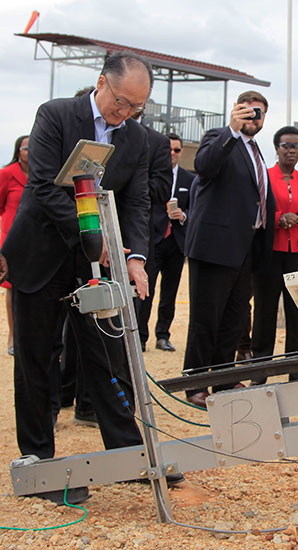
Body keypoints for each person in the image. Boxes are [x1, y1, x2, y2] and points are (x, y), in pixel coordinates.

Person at [0, 52, 155, 504]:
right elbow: (45, 187)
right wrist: (94, 237)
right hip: (42, 253)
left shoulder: (138, 139)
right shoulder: (56, 115)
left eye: (136, 108)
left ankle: (127, 455)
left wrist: (135, 258)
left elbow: (136, 200)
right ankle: (40, 463)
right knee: (37, 356)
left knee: (107, 353)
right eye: (122, 103)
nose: (125, 114)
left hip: (95, 263)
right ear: (101, 82)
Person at [182, 90, 276, 408]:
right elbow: (204, 166)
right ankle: (195, 382)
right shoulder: (220, 137)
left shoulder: (257, 151)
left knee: (234, 319)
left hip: (246, 246)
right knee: (206, 317)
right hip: (215, 245)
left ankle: (222, 378)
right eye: (247, 111)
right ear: (235, 111)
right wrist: (232, 130)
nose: (253, 117)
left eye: (258, 113)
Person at [251, 126, 298, 382]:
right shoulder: (264, 177)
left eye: (296, 146)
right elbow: (257, 210)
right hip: (270, 254)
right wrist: (280, 218)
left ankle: (296, 367)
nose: (291, 150)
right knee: (264, 312)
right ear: (276, 149)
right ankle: (260, 368)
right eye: (286, 145)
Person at [140, 133, 191, 352]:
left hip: (176, 242)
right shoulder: (147, 175)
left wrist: (184, 215)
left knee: (169, 294)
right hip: (152, 240)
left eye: (177, 150)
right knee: (145, 291)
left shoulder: (189, 179)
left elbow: (196, 208)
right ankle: (140, 337)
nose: (172, 153)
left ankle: (163, 335)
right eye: (169, 149)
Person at [0, 135, 29, 355]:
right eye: (26, 148)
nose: (30, 152)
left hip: (36, 238)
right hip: (11, 238)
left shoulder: (43, 172)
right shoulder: (7, 174)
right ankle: (13, 335)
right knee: (13, 289)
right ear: (18, 151)